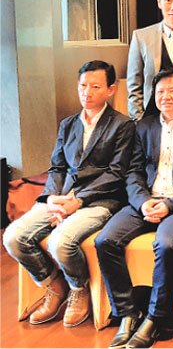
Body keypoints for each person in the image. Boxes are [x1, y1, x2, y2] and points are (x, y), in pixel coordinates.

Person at [3, 61, 134, 328]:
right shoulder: (68, 124)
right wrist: (52, 197)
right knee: (13, 237)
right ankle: (54, 284)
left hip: (99, 200)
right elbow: (57, 167)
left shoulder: (123, 125)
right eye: (82, 86)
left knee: (60, 242)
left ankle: (78, 288)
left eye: (95, 86)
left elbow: (116, 173)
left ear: (110, 90)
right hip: (63, 198)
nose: (87, 92)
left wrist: (79, 200)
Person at [94, 68, 173, 348]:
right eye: (160, 92)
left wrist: (170, 205)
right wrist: (143, 201)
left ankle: (156, 318)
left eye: (172, 90)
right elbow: (132, 171)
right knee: (105, 240)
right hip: (144, 199)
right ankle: (128, 313)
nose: (165, 96)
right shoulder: (144, 126)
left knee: (167, 244)